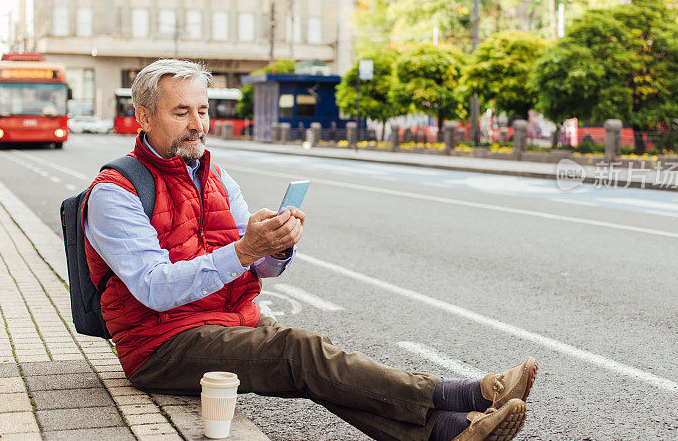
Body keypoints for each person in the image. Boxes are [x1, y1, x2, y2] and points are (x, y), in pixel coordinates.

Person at [83, 59, 539, 441]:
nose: (198, 125)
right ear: (143, 116)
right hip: (160, 345)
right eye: (181, 112)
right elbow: (154, 289)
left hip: (223, 318)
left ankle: (451, 431)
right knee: (299, 352)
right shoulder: (115, 192)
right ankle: (469, 393)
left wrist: (275, 248)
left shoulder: (215, 177)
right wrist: (243, 251)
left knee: (322, 368)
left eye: (202, 110)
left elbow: (259, 265)